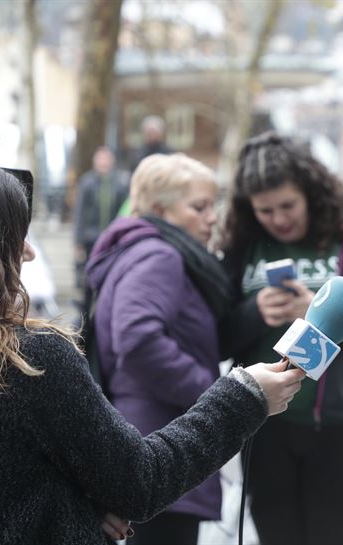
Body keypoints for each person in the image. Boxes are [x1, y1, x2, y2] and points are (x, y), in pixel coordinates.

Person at [0, 160, 305, 544]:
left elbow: (4, 474)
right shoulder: (32, 356)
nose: (29, 253)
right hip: (159, 430)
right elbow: (138, 340)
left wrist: (77, 500)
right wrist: (234, 394)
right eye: (14, 236)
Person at [220, 132, 343, 545]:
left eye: (288, 205)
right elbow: (215, 338)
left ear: (310, 193)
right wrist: (254, 313)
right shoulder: (243, 246)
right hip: (265, 424)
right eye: (265, 210)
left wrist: (322, 313)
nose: (278, 218)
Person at [84, 153, 249, 545]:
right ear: (160, 210)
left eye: (213, 205)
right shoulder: (159, 255)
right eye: (199, 207)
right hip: (162, 443)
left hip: (146, 435)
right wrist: (211, 392)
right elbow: (137, 337)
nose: (212, 218)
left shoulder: (138, 250)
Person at [72, 146, 130, 287]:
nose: (103, 162)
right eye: (100, 159)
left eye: (106, 159)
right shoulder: (87, 182)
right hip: (91, 238)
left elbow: (124, 212)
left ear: (112, 161)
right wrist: (78, 241)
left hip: (112, 239)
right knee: (89, 275)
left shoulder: (120, 184)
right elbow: (80, 212)